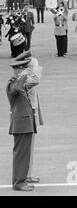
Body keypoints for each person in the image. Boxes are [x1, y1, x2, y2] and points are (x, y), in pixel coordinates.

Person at [6, 56, 36, 191]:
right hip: (21, 125)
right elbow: (17, 88)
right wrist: (23, 76)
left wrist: (23, 76)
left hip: (25, 124)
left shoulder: (19, 83)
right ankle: (18, 182)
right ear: (19, 70)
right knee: (21, 155)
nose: (27, 72)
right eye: (24, 69)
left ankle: (21, 180)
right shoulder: (13, 84)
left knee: (24, 155)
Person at [15, 51, 43, 185]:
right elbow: (36, 79)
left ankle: (28, 174)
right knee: (27, 146)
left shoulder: (25, 77)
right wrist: (34, 66)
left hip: (31, 112)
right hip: (27, 114)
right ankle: (25, 175)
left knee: (31, 146)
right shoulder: (24, 79)